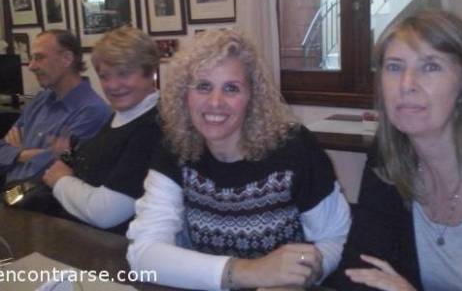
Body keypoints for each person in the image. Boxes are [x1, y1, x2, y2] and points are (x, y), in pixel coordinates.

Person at [127, 29, 351, 290]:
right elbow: (143, 254)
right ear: (184, 95)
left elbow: (336, 237)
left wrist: (302, 274)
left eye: (231, 88)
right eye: (203, 86)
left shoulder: (295, 148)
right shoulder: (174, 146)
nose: (215, 102)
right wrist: (248, 272)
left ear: (252, 98)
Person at [325, 10, 462, 290]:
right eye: (394, 67)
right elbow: (359, 270)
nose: (406, 85)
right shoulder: (387, 160)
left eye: (430, 67)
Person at [42, 27, 162, 234]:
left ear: (151, 72)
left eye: (124, 73)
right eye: (105, 76)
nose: (113, 85)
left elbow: (106, 212)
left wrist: (61, 180)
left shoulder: (153, 128)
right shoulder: (123, 115)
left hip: (113, 250)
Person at [0, 30, 111, 188]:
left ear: (67, 59)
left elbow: (50, 171)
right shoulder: (40, 100)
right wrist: (23, 154)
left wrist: (16, 152)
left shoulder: (92, 112)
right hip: (10, 196)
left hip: (38, 204)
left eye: (39, 58)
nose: (31, 66)